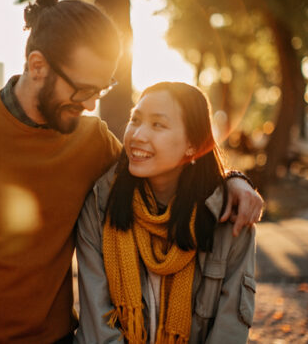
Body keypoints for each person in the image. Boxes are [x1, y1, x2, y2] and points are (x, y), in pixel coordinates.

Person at [0, 0, 262, 344]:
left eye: (101, 90)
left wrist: (233, 179)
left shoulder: (93, 142)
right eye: (82, 89)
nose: (89, 104)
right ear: (37, 66)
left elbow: (161, 164)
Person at [75, 82, 257, 344]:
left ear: (192, 145)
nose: (137, 134)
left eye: (157, 125)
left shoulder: (229, 215)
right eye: (135, 120)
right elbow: (97, 325)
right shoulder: (100, 203)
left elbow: (230, 328)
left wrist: (235, 179)